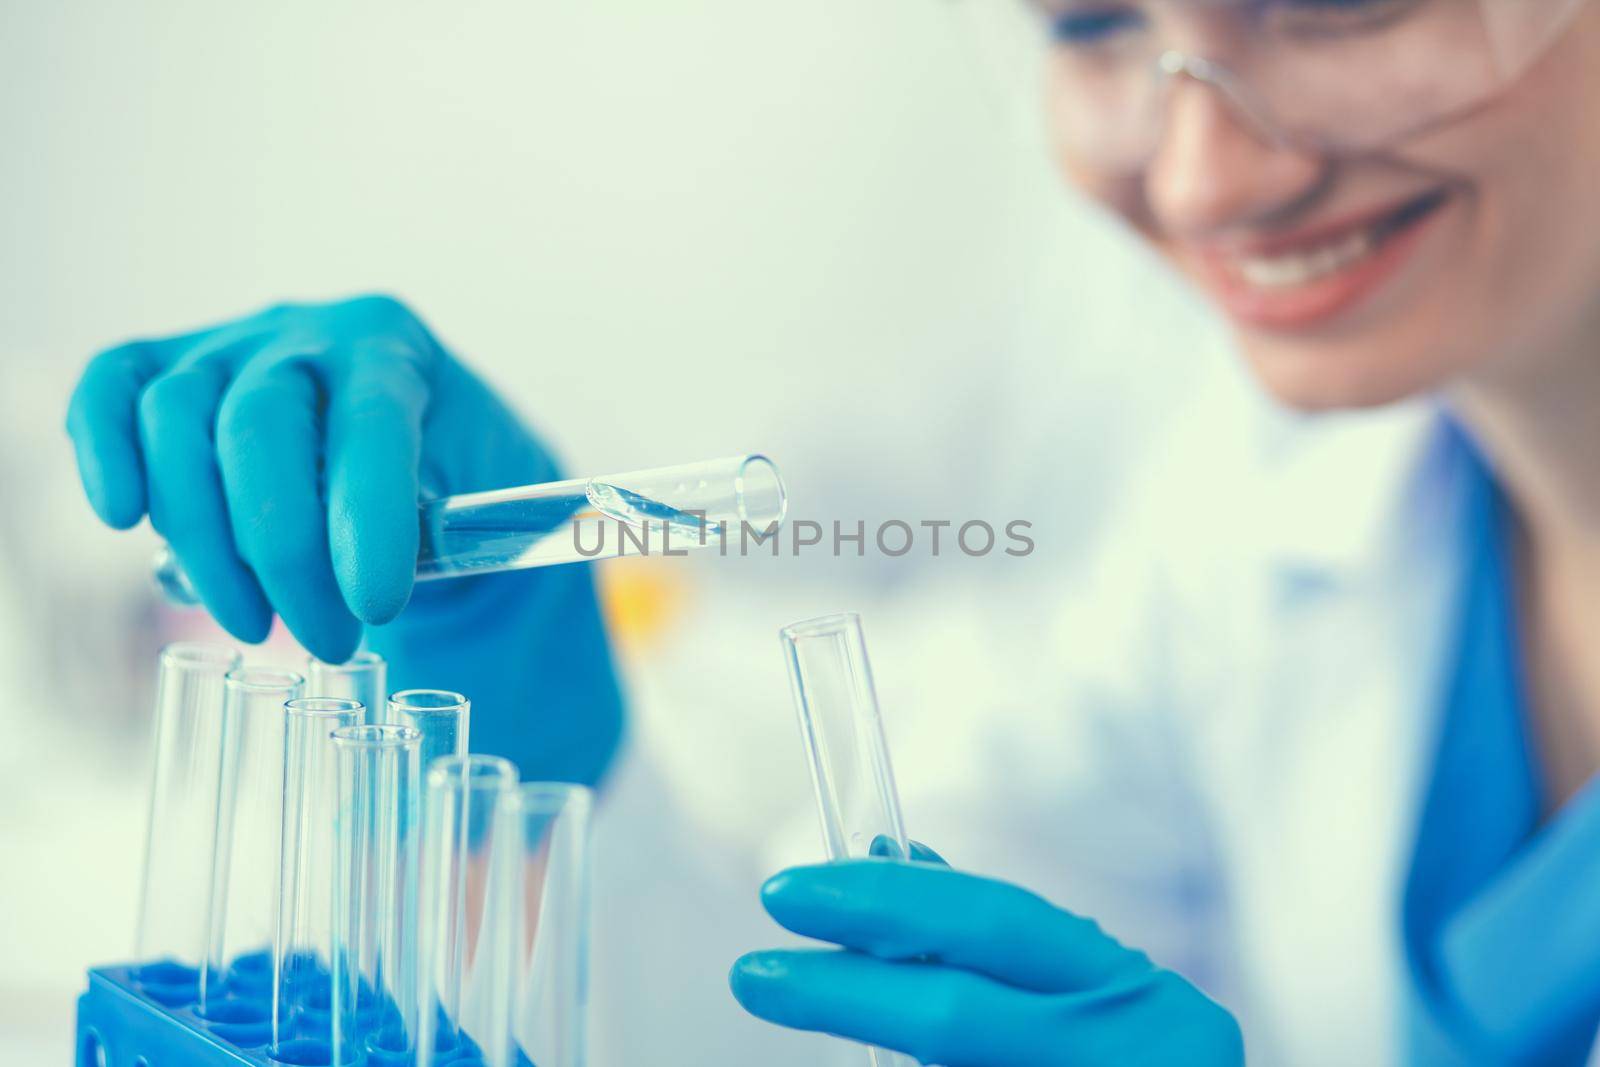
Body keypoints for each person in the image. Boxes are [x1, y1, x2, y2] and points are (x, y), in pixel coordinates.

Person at [61, 0, 1600, 1063]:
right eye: (1091, 26)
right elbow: (826, 1010)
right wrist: (549, 749)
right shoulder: (1261, 525)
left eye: (1344, 2)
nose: (1204, 173)